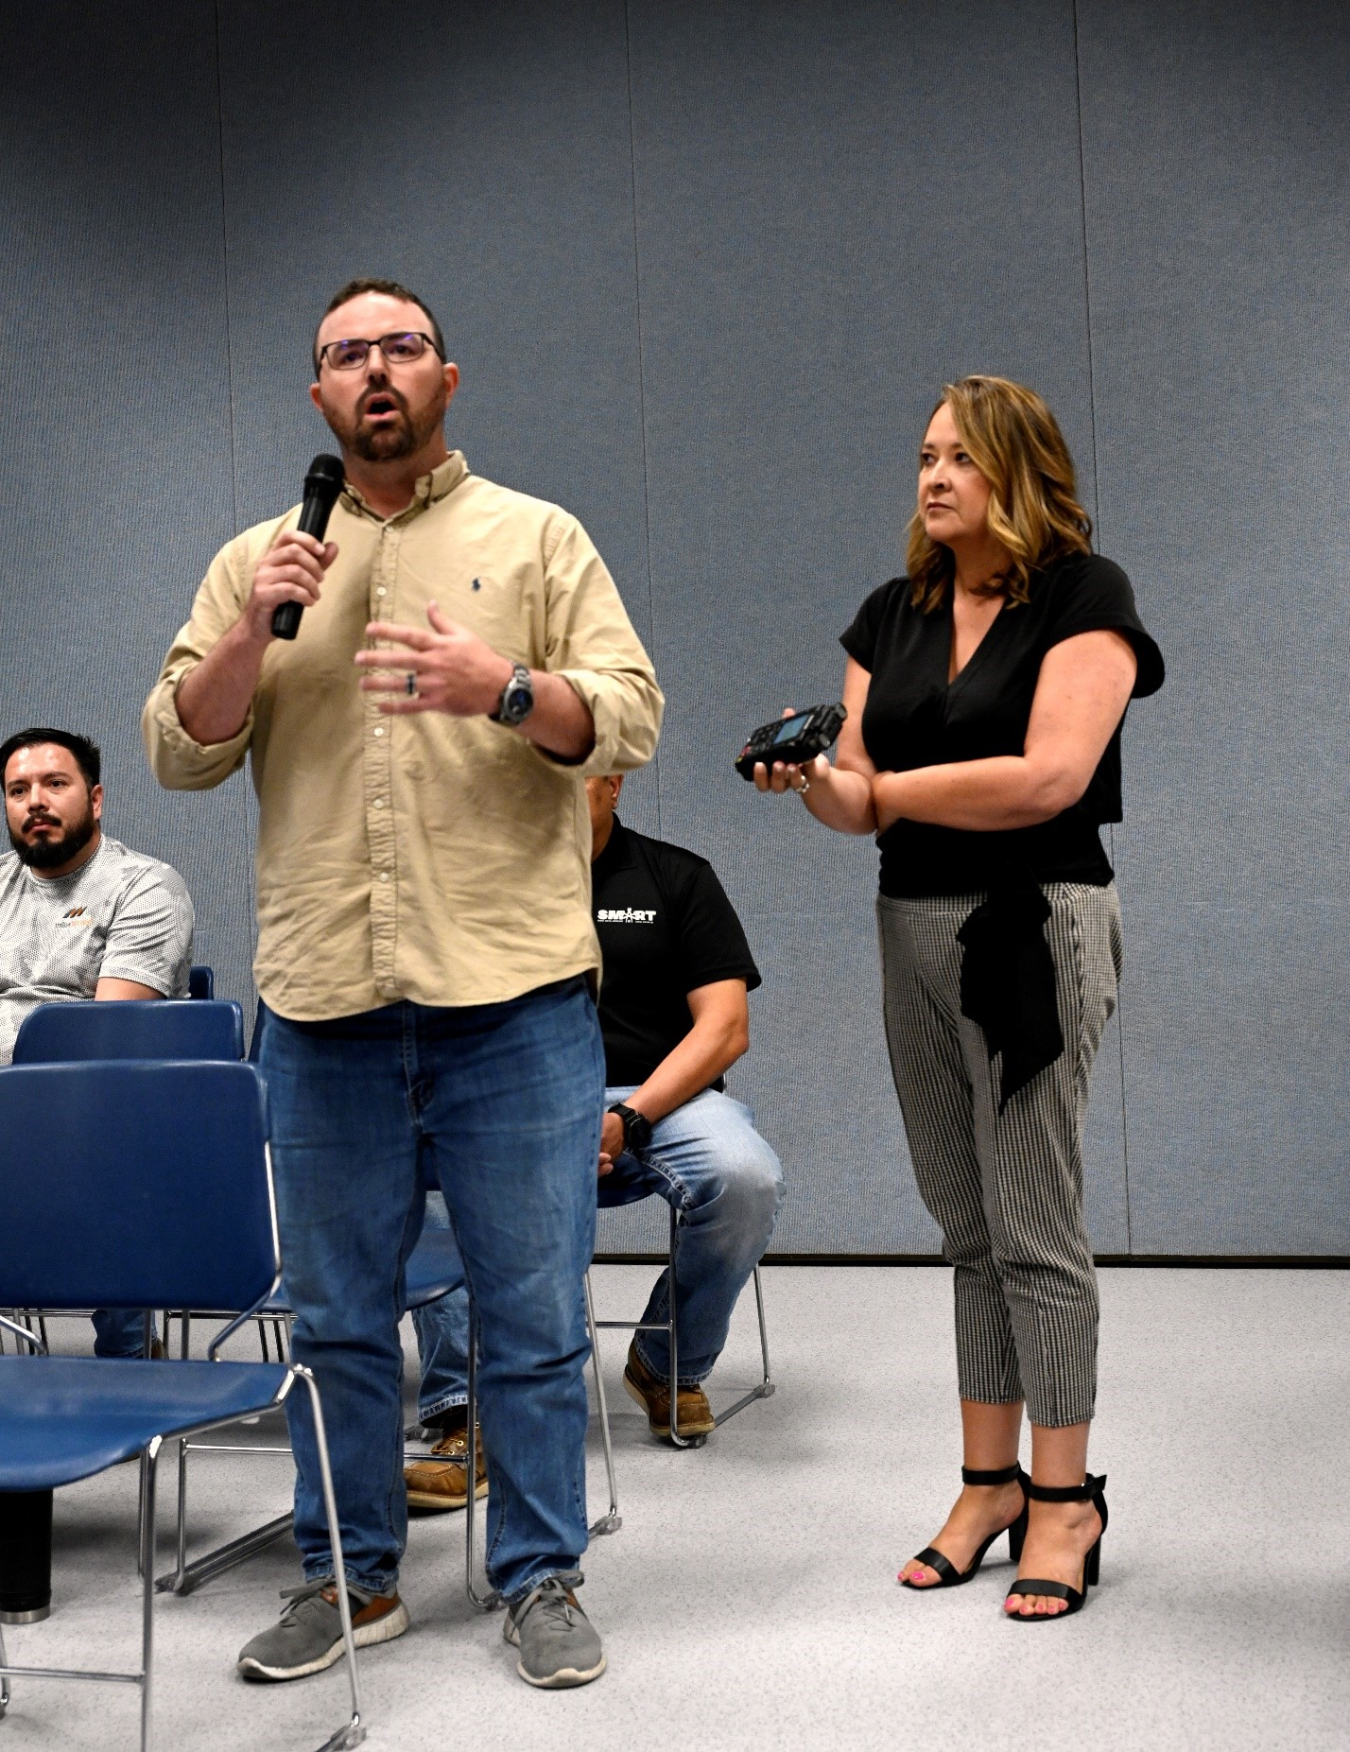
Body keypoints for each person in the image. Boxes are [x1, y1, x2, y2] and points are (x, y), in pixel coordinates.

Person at [143, 277, 662, 1689]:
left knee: (535, 1319)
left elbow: (628, 712)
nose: (375, 370)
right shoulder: (259, 556)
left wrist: (501, 685)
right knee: (337, 1324)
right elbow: (180, 744)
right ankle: (347, 1577)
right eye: (344, 355)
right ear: (318, 397)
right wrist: (256, 626)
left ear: (447, 378)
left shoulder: (536, 538)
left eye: (401, 348)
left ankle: (539, 1575)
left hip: (512, 1008)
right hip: (321, 1014)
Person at [753, 376, 1163, 1620]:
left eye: (960, 460)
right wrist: (816, 780)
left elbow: (1049, 777)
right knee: (965, 1218)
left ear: (1019, 472)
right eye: (924, 456)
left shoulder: (1086, 595)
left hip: (1033, 923)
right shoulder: (892, 610)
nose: (933, 478)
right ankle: (987, 1483)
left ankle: (1064, 1500)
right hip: (911, 927)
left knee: (1035, 1218)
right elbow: (856, 789)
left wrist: (881, 793)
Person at [405, 770, 783, 1505]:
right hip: (520, 1096)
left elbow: (725, 1027)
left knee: (744, 1176)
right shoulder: (479, 881)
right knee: (439, 1179)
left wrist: (630, 1116)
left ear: (611, 783)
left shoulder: (676, 878)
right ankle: (467, 1409)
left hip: (661, 1096)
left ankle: (666, 1361)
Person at [0, 726, 194, 1359]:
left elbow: (102, 1037)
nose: (36, 801)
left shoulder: (143, 885)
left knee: (109, 1117)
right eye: (18, 789)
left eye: (55, 784)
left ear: (97, 798)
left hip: (100, 1108)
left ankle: (130, 1351)